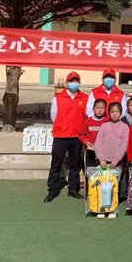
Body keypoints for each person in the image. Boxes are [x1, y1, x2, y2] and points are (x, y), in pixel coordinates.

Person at [46, 72, 88, 202]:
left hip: (77, 136)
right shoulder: (57, 98)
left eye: (76, 81)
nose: (74, 83)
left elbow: (86, 116)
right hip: (61, 136)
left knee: (75, 164)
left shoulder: (85, 98)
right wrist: (62, 127)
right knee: (56, 163)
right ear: (66, 83)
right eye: (71, 81)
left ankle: (73, 189)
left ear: (79, 83)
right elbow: (54, 116)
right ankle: (53, 189)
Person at [93, 102, 130, 219]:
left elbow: (124, 145)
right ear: (109, 113)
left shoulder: (125, 127)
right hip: (103, 162)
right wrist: (101, 159)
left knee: (114, 186)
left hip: (116, 163)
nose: (115, 114)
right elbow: (98, 143)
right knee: (103, 186)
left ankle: (112, 208)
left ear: (121, 113)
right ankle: (101, 207)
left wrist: (116, 160)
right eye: (112, 112)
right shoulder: (104, 126)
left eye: (117, 112)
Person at [79, 98, 109, 167]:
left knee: (105, 171)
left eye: (102, 108)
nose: (100, 110)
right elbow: (82, 134)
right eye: (97, 108)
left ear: (105, 109)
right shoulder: (88, 121)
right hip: (91, 151)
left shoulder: (108, 121)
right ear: (93, 109)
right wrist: (86, 141)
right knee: (91, 170)